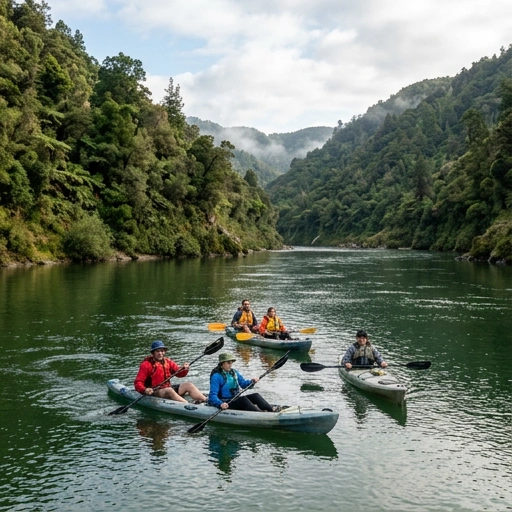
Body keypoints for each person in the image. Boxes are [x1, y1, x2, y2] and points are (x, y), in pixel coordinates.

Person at [134, 340, 207, 403]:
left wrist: (185, 369)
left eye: (162, 351)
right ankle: (189, 405)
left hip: (167, 389)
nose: (160, 353)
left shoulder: (168, 362)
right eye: (157, 351)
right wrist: (145, 389)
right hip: (154, 391)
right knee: (169, 390)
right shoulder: (146, 365)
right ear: (153, 353)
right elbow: (138, 382)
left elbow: (179, 374)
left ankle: (206, 401)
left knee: (188, 385)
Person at [208, 352, 277, 412]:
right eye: (228, 363)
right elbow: (212, 396)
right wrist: (220, 404)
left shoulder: (234, 372)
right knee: (243, 400)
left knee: (255, 395)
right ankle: (260, 414)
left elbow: (243, 384)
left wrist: (252, 382)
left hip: (235, 399)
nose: (230, 365)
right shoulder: (216, 376)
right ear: (222, 364)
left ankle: (270, 410)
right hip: (224, 402)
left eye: (231, 363)